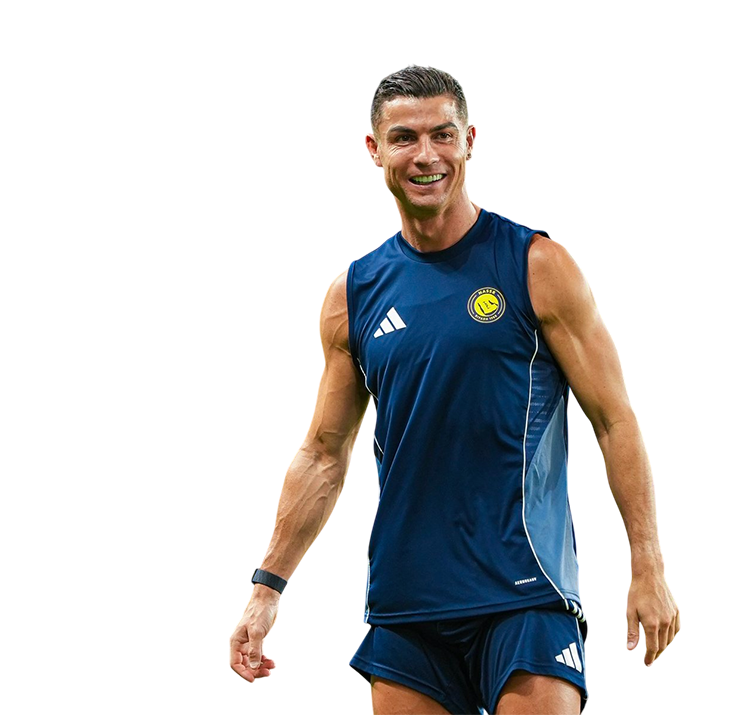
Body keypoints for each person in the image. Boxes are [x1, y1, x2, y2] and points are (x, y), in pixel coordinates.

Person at [229, 66, 680, 715]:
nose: (426, 155)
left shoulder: (537, 267)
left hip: (525, 594)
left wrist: (650, 568)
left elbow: (614, 421)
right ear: (375, 150)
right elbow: (324, 452)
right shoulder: (354, 295)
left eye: (443, 134)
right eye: (405, 137)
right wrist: (266, 589)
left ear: (469, 141)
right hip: (408, 604)